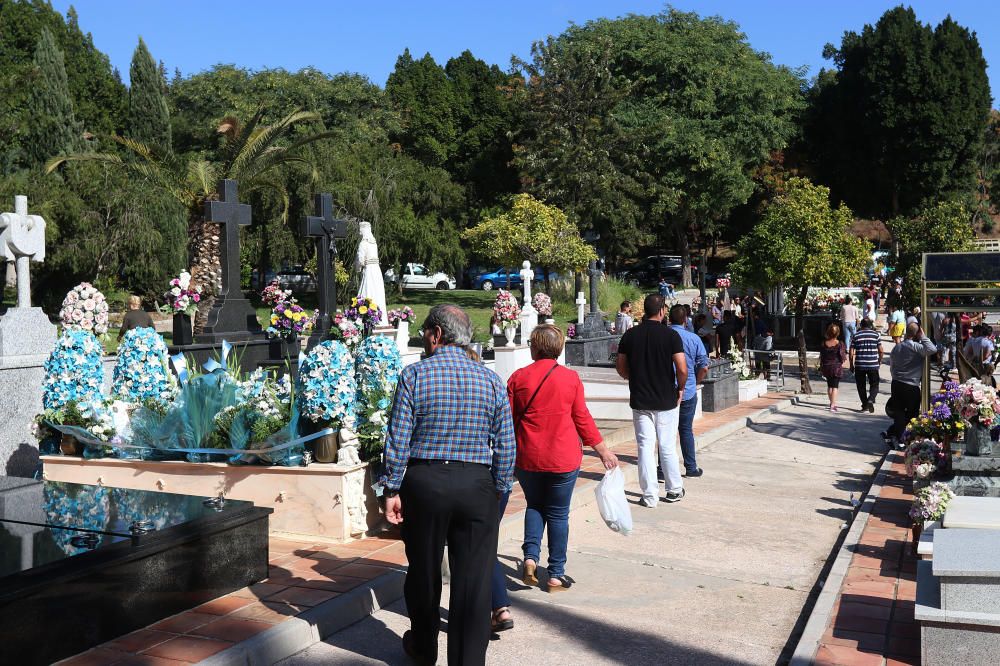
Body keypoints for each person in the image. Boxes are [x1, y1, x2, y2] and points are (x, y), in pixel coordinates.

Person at [381, 304, 515, 666]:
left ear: (437, 334)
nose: (424, 339)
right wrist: (499, 486)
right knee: (473, 582)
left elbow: (398, 438)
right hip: (476, 483)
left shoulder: (414, 376)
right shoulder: (490, 380)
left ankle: (424, 648)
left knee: (423, 572)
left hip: (426, 482)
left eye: (425, 332)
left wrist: (391, 488)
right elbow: (505, 443)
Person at [508, 325, 618, 594]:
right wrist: (602, 450)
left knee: (534, 505)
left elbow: (507, 419)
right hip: (562, 457)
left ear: (534, 346)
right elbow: (581, 418)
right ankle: (556, 574)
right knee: (558, 514)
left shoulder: (518, 378)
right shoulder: (570, 379)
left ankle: (530, 559)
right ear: (559, 348)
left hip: (528, 456)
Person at [616, 294, 688, 508]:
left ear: (644, 311)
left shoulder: (630, 335)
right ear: (662, 311)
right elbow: (682, 368)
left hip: (640, 399)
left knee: (645, 447)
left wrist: (633, 377)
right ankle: (674, 489)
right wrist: (680, 387)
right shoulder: (671, 335)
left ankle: (649, 495)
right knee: (666, 446)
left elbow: (620, 367)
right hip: (666, 398)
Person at [667, 305, 709, 477]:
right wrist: (696, 382)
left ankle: (663, 469)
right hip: (688, 389)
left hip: (666, 389)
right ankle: (690, 467)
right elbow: (704, 367)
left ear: (669, 318)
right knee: (685, 430)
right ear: (685, 320)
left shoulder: (663, 336)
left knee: (666, 432)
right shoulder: (693, 339)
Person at [885, 323, 937, 446]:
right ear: (917, 333)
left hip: (896, 383)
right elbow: (932, 349)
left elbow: (892, 366)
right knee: (912, 413)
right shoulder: (915, 346)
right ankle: (907, 438)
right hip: (911, 385)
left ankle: (898, 437)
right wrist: (923, 337)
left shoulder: (897, 347)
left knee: (898, 412)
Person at [850, 318, 883, 413]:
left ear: (861, 325)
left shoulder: (856, 335)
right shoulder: (876, 335)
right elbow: (881, 350)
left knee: (861, 386)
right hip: (873, 365)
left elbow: (851, 351)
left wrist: (851, 365)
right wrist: (879, 361)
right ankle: (871, 399)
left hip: (860, 364)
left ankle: (865, 404)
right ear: (870, 325)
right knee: (875, 384)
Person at [819, 323, 847, 412]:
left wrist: (821, 366)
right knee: (835, 387)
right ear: (838, 333)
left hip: (826, 366)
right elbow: (842, 357)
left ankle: (831, 402)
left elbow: (822, 356)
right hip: (836, 367)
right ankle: (833, 405)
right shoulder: (840, 344)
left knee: (829, 385)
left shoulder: (824, 343)